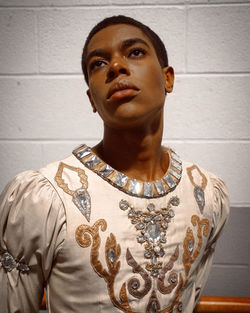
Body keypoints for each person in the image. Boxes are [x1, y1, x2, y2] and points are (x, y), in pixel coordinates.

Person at [0, 15, 229, 313]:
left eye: (135, 52)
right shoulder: (45, 198)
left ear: (167, 77)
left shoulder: (207, 194)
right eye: (98, 63)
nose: (117, 67)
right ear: (92, 99)